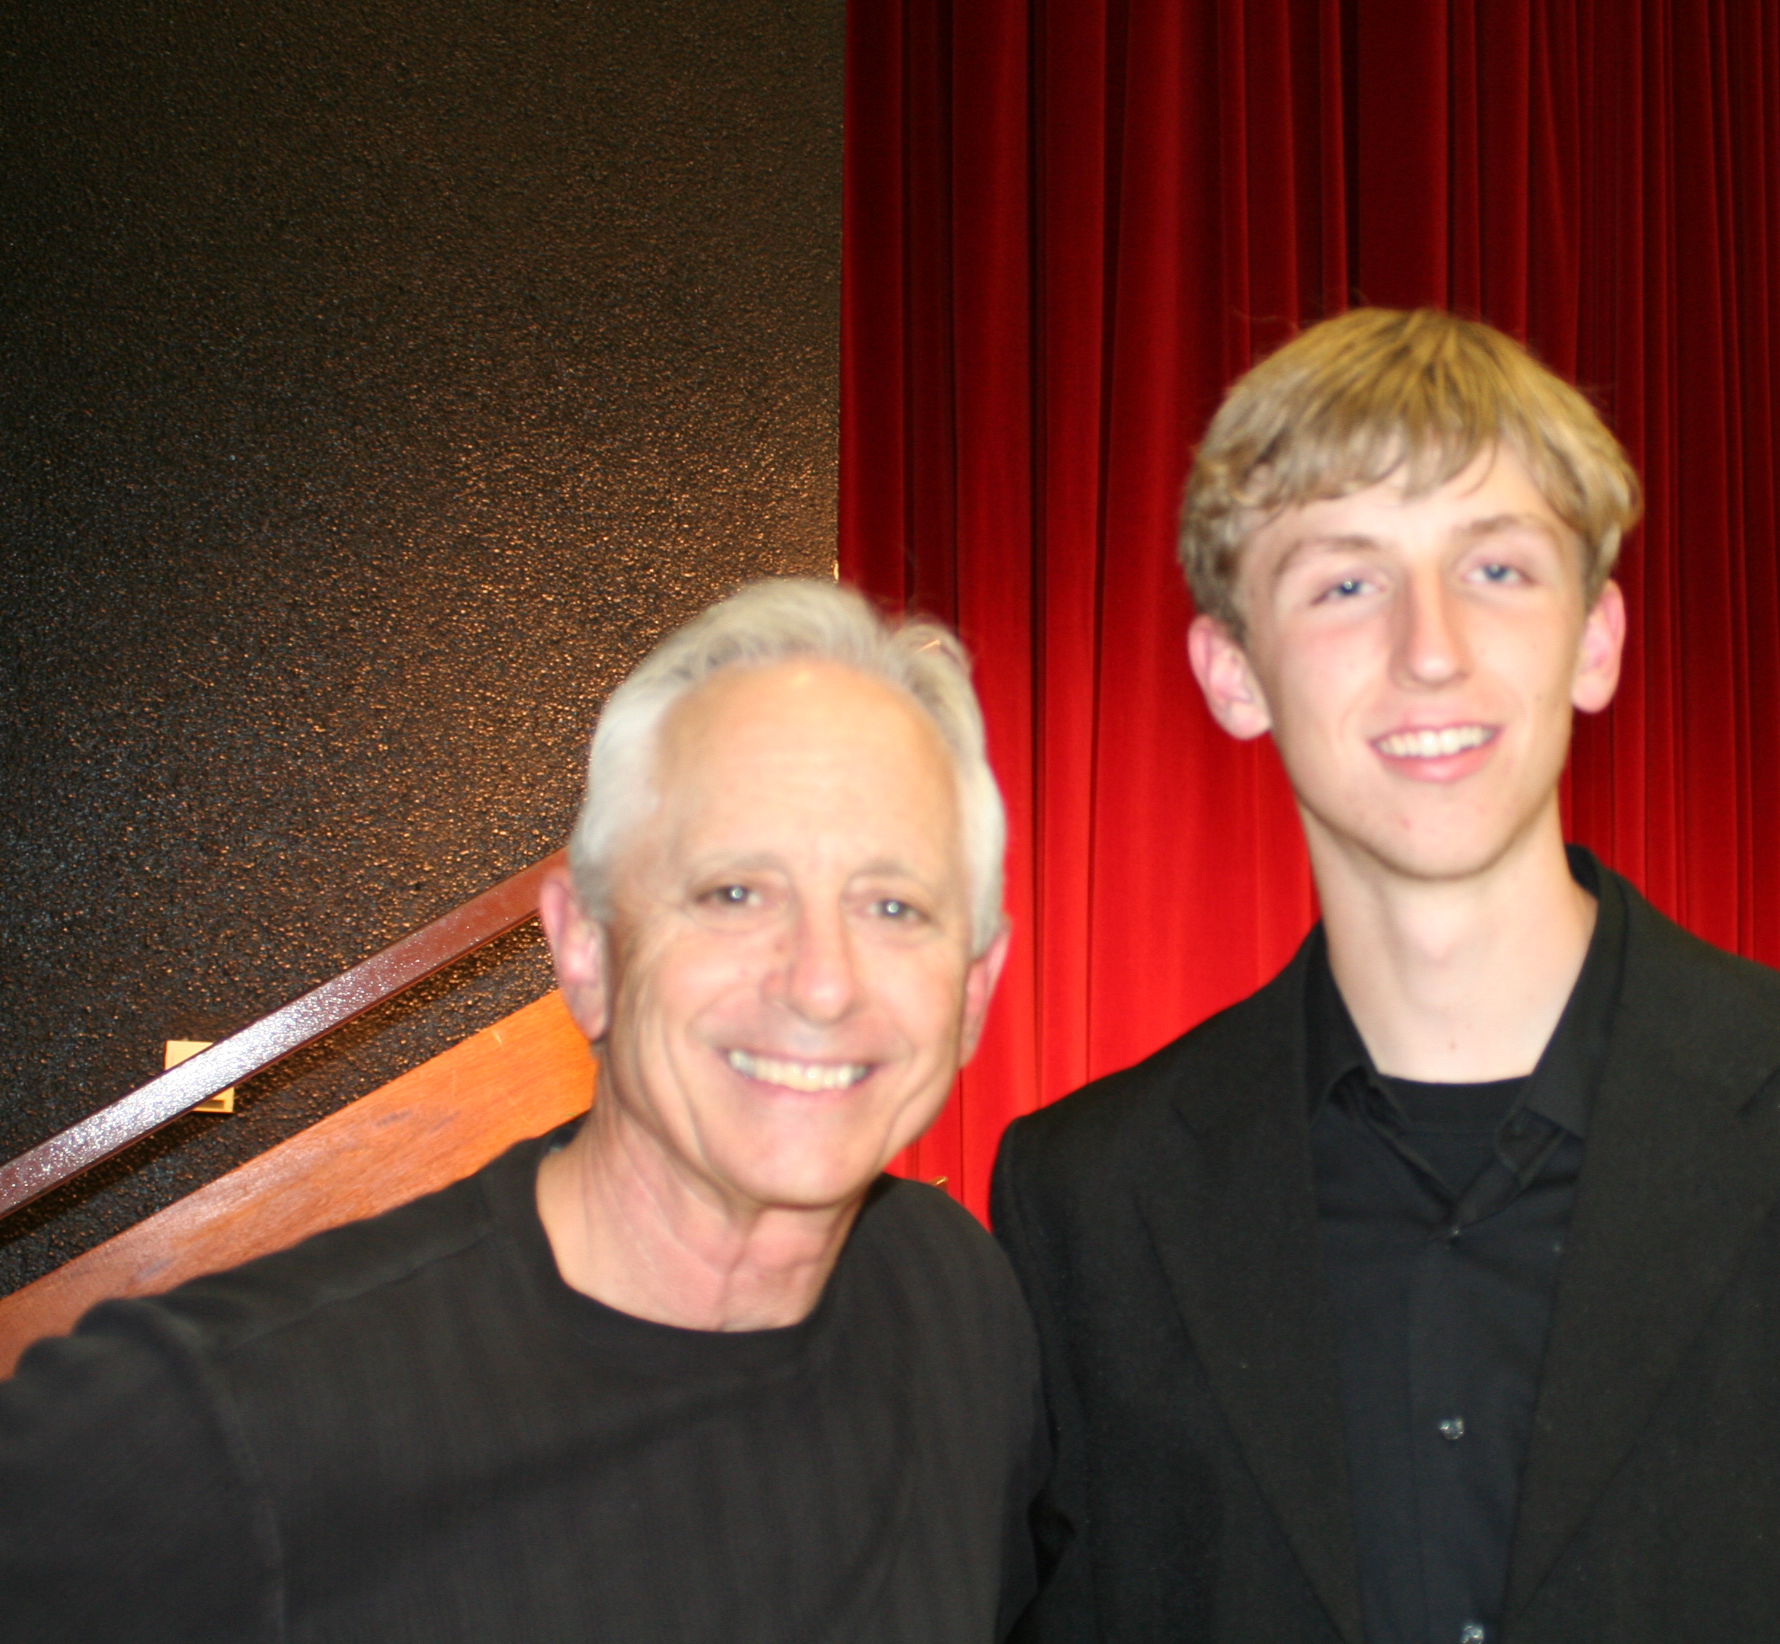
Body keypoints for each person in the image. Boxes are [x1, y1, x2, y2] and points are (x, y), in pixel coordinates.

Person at [989, 310, 1780, 1644]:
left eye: (1498, 569)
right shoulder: (1086, 1203)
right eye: (1345, 583)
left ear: (1596, 639)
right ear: (1233, 672)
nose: (1431, 648)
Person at [0, 579, 1042, 1643]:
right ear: (585, 949)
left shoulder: (954, 1300)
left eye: (894, 905)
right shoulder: (219, 1420)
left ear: (974, 990)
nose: (821, 982)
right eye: (734, 892)